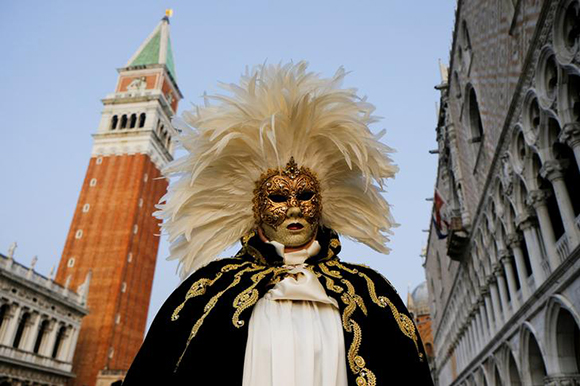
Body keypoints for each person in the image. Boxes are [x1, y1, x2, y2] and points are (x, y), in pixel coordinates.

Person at [122, 62, 434, 385]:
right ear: (256, 207)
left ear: (323, 202)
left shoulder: (371, 295)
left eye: (306, 194)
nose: (295, 208)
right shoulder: (207, 294)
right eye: (279, 197)